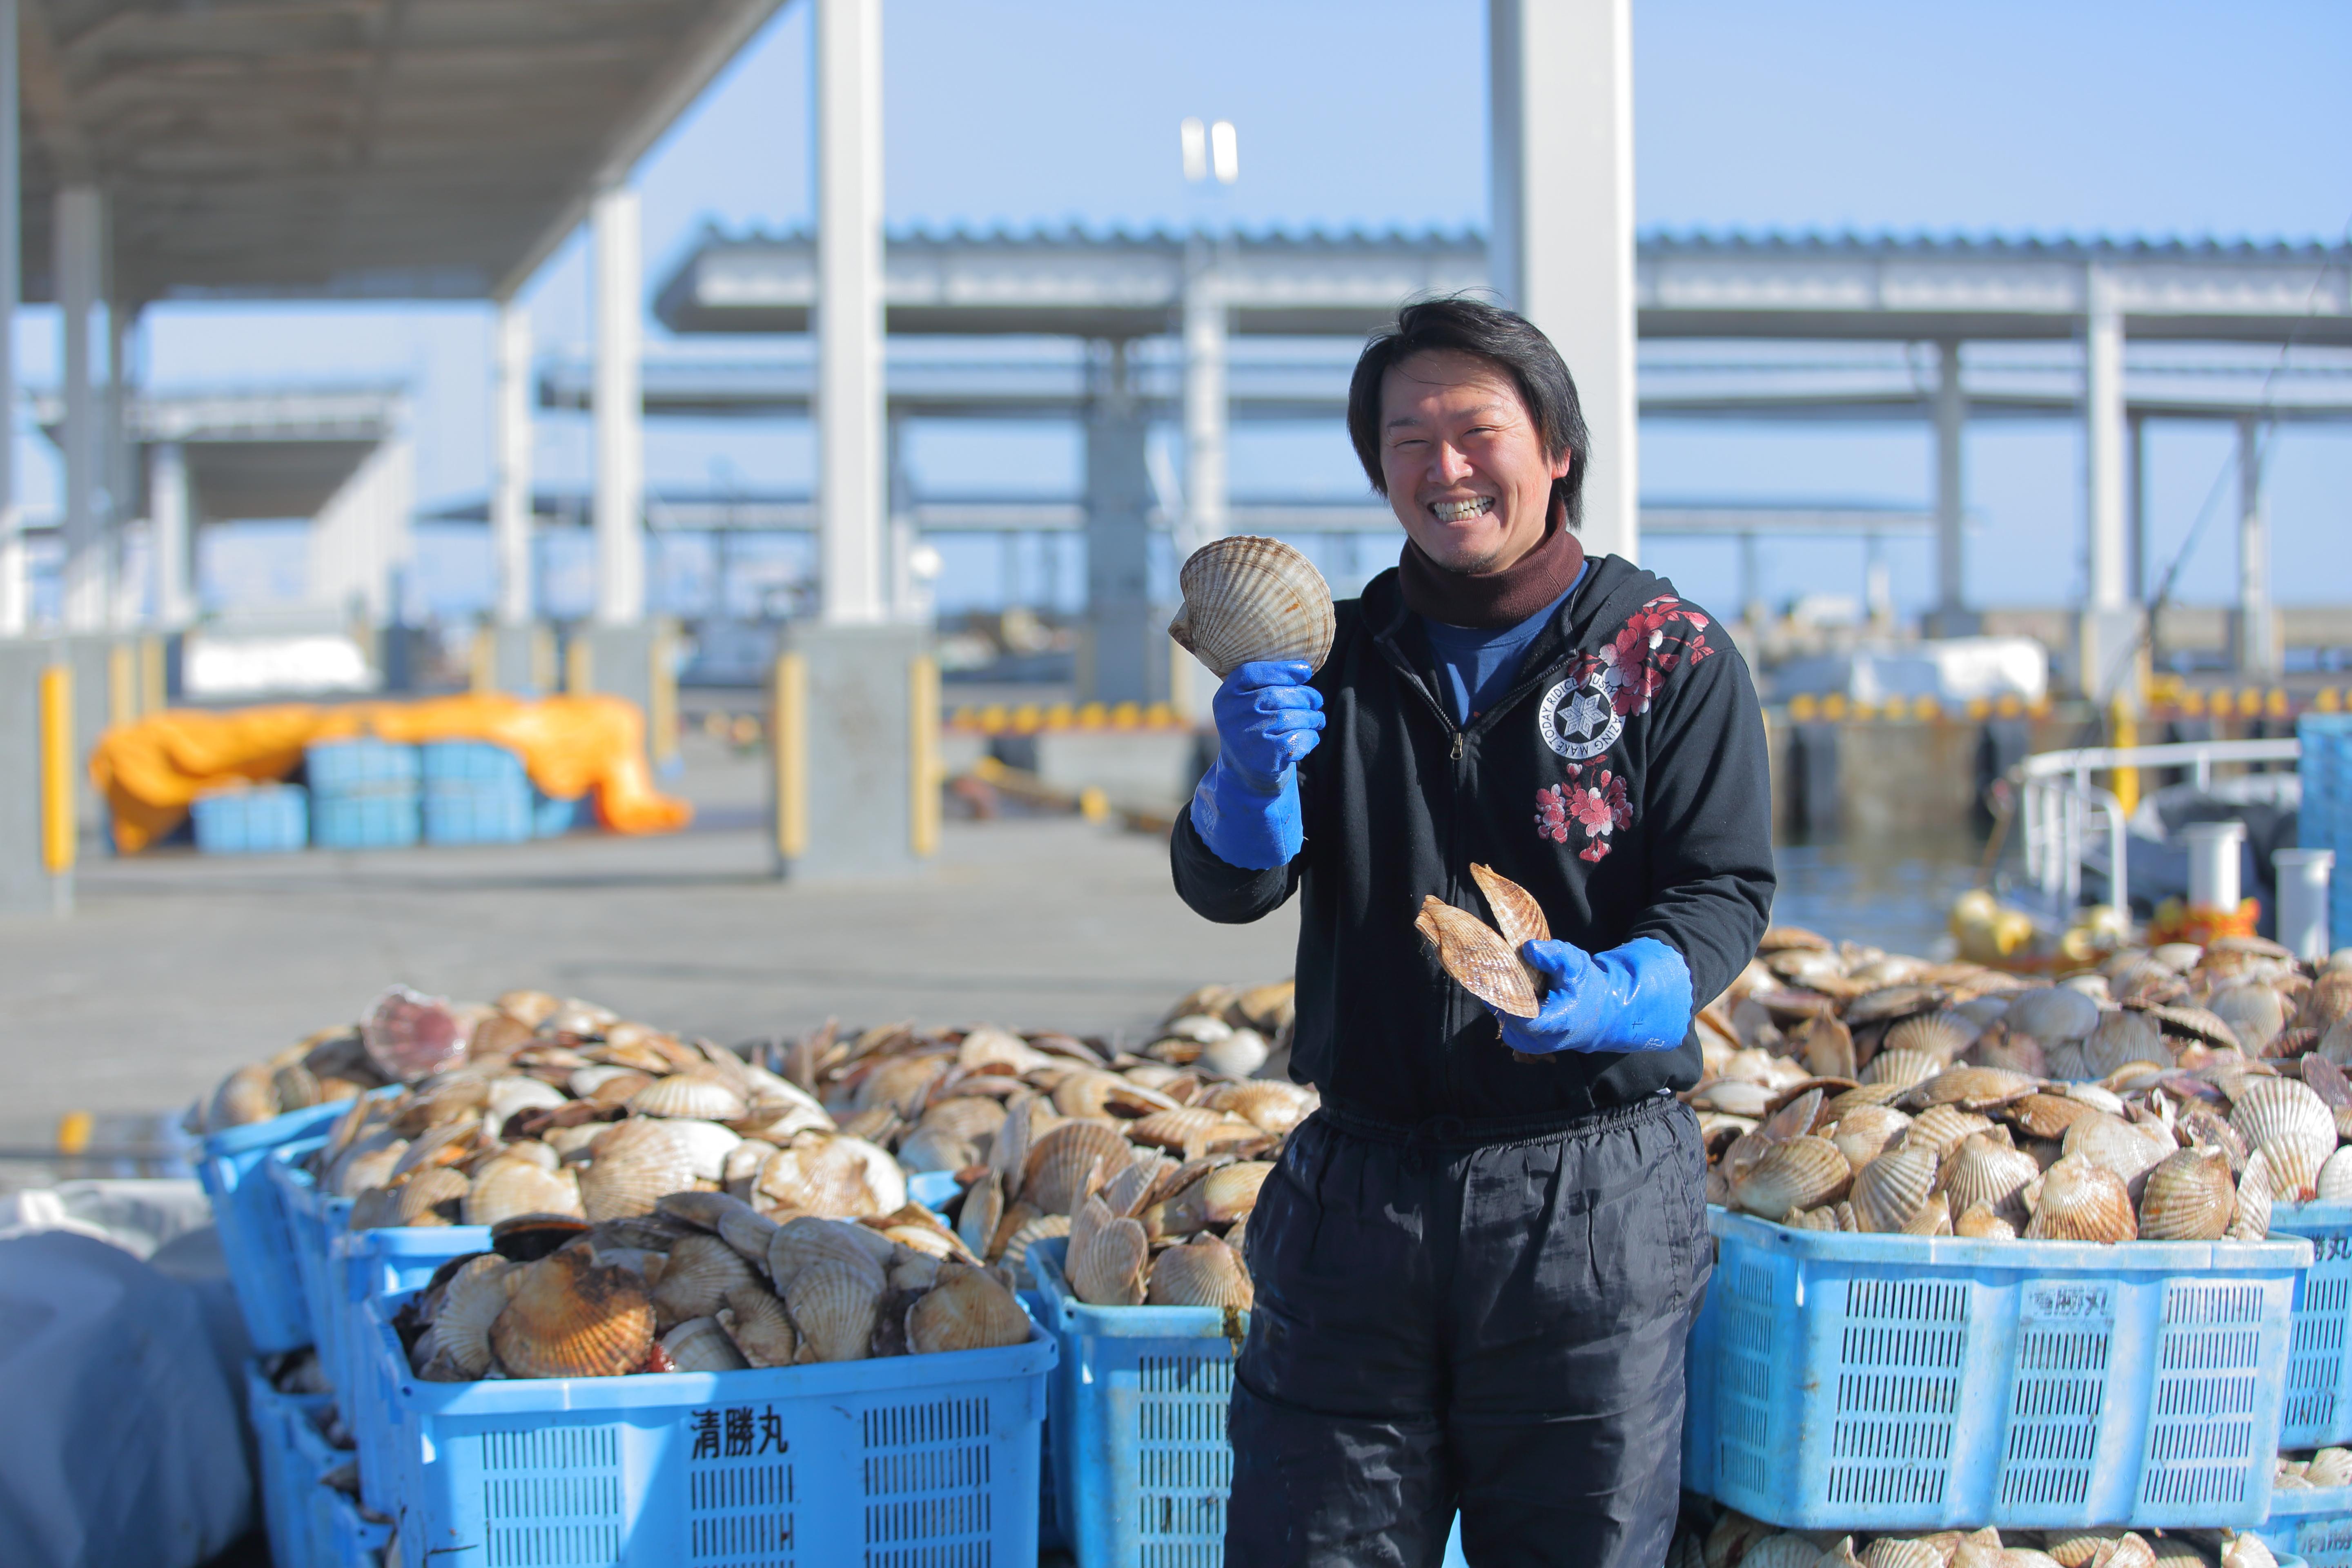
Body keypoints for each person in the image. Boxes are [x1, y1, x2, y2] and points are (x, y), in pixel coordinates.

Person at [1172, 296, 1775, 1568]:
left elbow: (1725, 887)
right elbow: (1233, 890)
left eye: (1477, 430)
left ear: (1556, 446)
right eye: (1406, 440)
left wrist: (1629, 988)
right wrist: (1241, 797)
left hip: (1592, 1197)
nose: (1444, 468)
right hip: (1359, 1197)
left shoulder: (1666, 655)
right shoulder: (1333, 657)